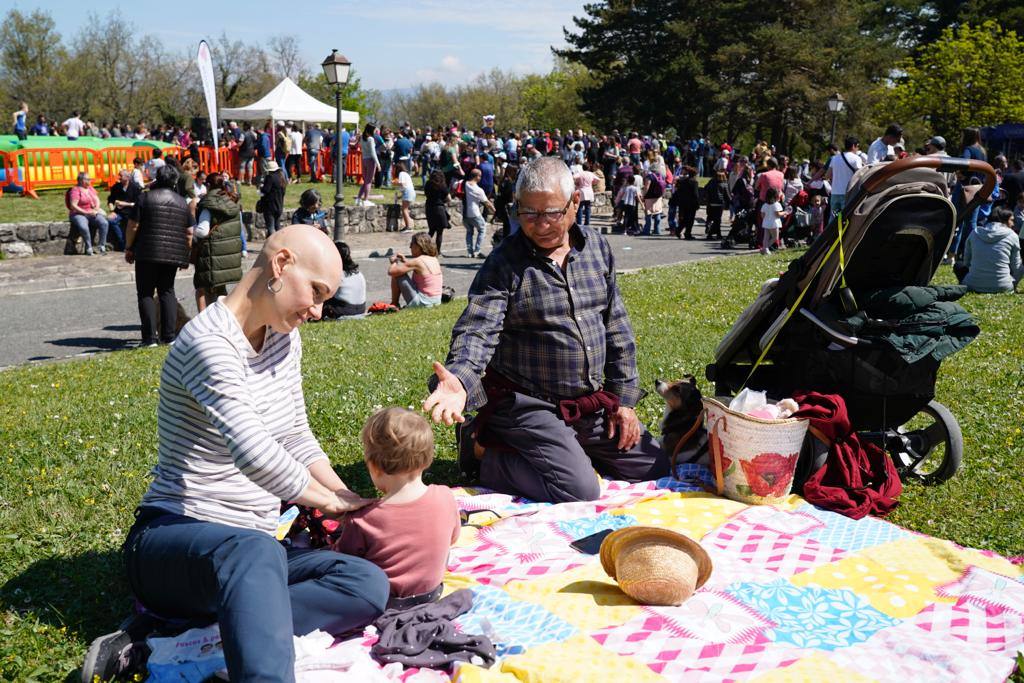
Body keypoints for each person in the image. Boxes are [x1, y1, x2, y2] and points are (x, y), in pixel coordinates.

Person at [84, 225, 389, 683]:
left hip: (257, 547)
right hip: (176, 537)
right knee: (252, 553)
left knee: (366, 585)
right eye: (317, 292)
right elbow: (253, 452)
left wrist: (349, 498)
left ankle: (175, 640)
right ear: (281, 265)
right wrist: (328, 503)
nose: (319, 310)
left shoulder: (284, 338)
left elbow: (294, 434)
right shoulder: (208, 342)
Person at [423, 157, 667, 504]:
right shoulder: (504, 262)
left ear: (574, 204)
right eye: (529, 214)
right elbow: (479, 328)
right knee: (579, 491)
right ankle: (478, 449)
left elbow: (616, 327)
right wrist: (459, 380)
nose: (540, 225)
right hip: (530, 404)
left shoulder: (596, 248)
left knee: (655, 465)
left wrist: (623, 402)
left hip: (588, 404)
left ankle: (569, 449)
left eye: (551, 213)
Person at [332, 407, 460, 609]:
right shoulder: (445, 496)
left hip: (382, 602)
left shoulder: (364, 519)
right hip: (432, 594)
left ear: (374, 467)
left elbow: (344, 565)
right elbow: (452, 538)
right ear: (427, 460)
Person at [122, 166, 192, 346]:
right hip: (172, 254)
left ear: (157, 179)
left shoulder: (144, 198)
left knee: (145, 293)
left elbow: (133, 226)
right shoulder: (182, 202)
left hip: (147, 252)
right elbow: (189, 233)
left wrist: (129, 247)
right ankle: (169, 336)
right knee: (167, 292)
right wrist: (185, 254)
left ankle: (149, 338)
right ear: (174, 181)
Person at [192, 172, 244, 312]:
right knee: (221, 289)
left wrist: (192, 230)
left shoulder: (208, 202)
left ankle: (204, 321)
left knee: (203, 288)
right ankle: (224, 318)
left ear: (208, 185)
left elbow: (203, 231)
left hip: (211, 253)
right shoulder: (231, 200)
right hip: (229, 252)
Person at [960, 207, 1023, 293]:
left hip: (972, 285)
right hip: (1003, 287)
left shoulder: (975, 232)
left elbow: (966, 262)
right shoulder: (1012, 235)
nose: (1013, 224)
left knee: (958, 265)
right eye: (1011, 220)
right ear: (1004, 221)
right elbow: (1017, 267)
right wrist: (1013, 284)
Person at [388, 232, 443, 308]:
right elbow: (421, 269)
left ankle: (394, 304)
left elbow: (392, 272)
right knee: (399, 271)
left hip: (422, 303)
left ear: (419, 246)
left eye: (411, 244)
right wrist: (405, 260)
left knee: (397, 274)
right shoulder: (434, 259)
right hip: (436, 301)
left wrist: (394, 262)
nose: (410, 247)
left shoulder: (417, 261)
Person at [68, 172, 110, 255]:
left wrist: (96, 209)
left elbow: (97, 199)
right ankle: (89, 247)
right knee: (83, 226)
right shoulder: (75, 190)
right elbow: (73, 206)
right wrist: (86, 212)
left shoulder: (90, 188)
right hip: (78, 213)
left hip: (91, 212)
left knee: (104, 223)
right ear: (82, 180)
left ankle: (101, 246)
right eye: (88, 179)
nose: (90, 180)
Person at [322, 241, 367, 318]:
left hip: (345, 310)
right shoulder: (358, 273)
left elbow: (325, 293)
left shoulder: (337, 274)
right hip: (361, 309)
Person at [825, 136, 863, 216]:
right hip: (848, 193)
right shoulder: (856, 159)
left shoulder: (834, 158)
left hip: (835, 193)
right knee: (846, 218)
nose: (858, 149)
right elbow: (859, 175)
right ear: (853, 146)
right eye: (858, 146)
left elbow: (827, 175)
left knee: (834, 219)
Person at [106, 169, 142, 251]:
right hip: (119, 212)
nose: (119, 177)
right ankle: (123, 244)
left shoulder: (135, 188)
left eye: (121, 176)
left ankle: (130, 245)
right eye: (119, 175)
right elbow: (111, 200)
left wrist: (125, 204)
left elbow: (138, 203)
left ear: (127, 177)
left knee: (130, 224)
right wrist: (112, 211)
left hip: (131, 212)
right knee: (111, 220)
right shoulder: (116, 187)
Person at [463, 168, 494, 258]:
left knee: (469, 231)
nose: (480, 178)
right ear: (477, 177)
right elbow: (487, 203)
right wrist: (495, 210)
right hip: (474, 212)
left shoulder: (465, 184)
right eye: (480, 176)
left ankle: (469, 252)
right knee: (482, 229)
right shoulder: (478, 190)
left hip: (465, 213)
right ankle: (477, 250)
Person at [424, 170, 451, 255]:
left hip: (429, 208)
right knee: (439, 232)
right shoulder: (442, 185)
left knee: (431, 230)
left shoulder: (428, 184)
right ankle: (438, 251)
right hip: (439, 208)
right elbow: (449, 198)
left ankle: (422, 247)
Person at [671, 167, 700, 239]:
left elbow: (679, 191)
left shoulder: (683, 181)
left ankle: (679, 230)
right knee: (690, 219)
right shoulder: (694, 182)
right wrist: (697, 203)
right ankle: (687, 233)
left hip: (683, 203)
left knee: (685, 218)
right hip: (691, 203)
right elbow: (695, 194)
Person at [259, 161, 287, 236]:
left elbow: (266, 190)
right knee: (277, 226)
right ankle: (280, 243)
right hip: (279, 205)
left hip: (270, 206)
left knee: (271, 227)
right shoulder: (282, 177)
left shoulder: (270, 177)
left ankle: (272, 244)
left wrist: (261, 187)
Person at [357, 124, 380, 206]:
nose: (375, 131)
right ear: (371, 130)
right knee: (369, 181)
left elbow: (359, 146)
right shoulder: (371, 139)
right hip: (370, 160)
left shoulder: (362, 138)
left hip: (364, 160)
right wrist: (378, 163)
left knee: (365, 181)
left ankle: (358, 198)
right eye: (374, 130)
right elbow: (373, 153)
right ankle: (366, 200)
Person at [704, 171, 731, 240]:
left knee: (712, 218)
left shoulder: (711, 182)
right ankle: (712, 234)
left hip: (711, 203)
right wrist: (731, 202)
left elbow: (705, 188)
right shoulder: (724, 184)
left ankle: (717, 234)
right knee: (717, 220)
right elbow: (727, 195)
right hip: (719, 203)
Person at [760, 187, 786, 255]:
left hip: (766, 223)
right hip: (774, 224)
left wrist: (767, 218)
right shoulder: (776, 204)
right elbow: (778, 214)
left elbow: (762, 215)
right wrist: (784, 212)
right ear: (776, 196)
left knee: (766, 237)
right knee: (775, 238)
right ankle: (765, 248)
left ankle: (765, 248)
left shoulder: (764, 205)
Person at [395, 161, 416, 231]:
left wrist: (396, 183)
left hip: (408, 192)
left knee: (404, 210)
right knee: (406, 209)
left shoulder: (401, 174)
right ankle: (408, 226)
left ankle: (408, 227)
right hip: (412, 192)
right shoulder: (406, 174)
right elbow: (406, 187)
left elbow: (403, 185)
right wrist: (400, 197)